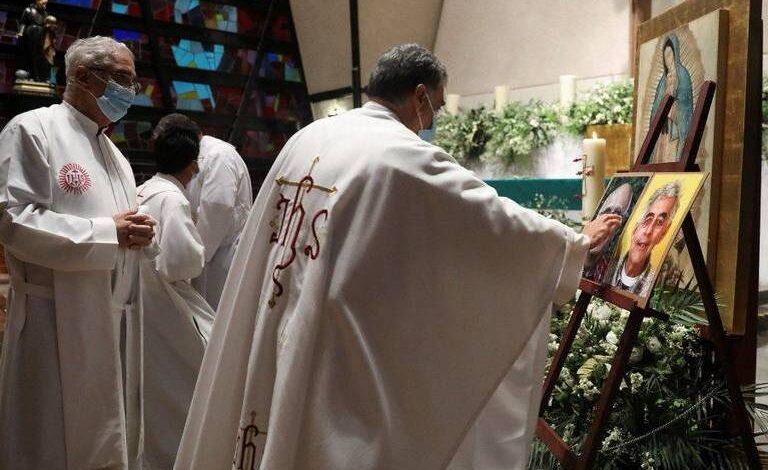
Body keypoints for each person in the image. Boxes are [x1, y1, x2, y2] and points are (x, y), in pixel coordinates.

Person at [174, 44, 620, 470]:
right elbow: (491, 217)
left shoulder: (310, 136)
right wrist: (573, 244)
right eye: (436, 107)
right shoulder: (401, 154)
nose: (431, 121)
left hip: (277, 311)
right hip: (331, 341)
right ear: (420, 96)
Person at [0, 36, 155, 469]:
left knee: (109, 435)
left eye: (133, 82)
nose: (130, 91)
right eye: (122, 78)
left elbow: (124, 226)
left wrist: (141, 233)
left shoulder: (115, 154)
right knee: (49, 440)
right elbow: (13, 220)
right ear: (82, 76)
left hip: (113, 313)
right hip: (54, 316)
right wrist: (108, 233)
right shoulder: (33, 129)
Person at [138, 115, 215, 470]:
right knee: (187, 383)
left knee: (152, 389)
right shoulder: (172, 199)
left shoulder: (142, 189)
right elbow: (182, 262)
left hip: (142, 298)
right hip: (167, 303)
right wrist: (198, 250)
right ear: (192, 164)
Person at [185, 125, 253, 309]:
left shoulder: (218, 155)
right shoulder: (203, 155)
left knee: (219, 314)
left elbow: (218, 207)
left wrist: (195, 256)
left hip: (222, 255)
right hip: (212, 255)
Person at [610, 181, 680, 297]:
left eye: (659, 222)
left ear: (663, 234)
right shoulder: (607, 266)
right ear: (635, 228)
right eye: (647, 220)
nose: (648, 231)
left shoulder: (656, 286)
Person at [650, 35, 693, 163]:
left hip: (675, 127)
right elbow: (656, 107)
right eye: (665, 57)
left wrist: (670, 111)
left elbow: (685, 104)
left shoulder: (683, 75)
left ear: (675, 54)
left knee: (671, 157)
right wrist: (659, 117)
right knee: (661, 158)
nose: (667, 60)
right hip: (663, 130)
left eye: (669, 55)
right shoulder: (663, 81)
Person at [583, 182, 633, 283]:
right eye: (606, 211)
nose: (607, 222)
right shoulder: (565, 250)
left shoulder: (610, 274)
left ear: (618, 230)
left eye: (617, 214)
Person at [18, 0, 51, 82]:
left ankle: (38, 76)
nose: (44, 5)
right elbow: (23, 23)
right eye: (43, 2)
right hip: (30, 32)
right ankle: (29, 75)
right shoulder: (28, 10)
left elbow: (46, 25)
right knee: (30, 53)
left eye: (46, 3)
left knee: (39, 55)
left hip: (41, 34)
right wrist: (21, 32)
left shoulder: (45, 13)